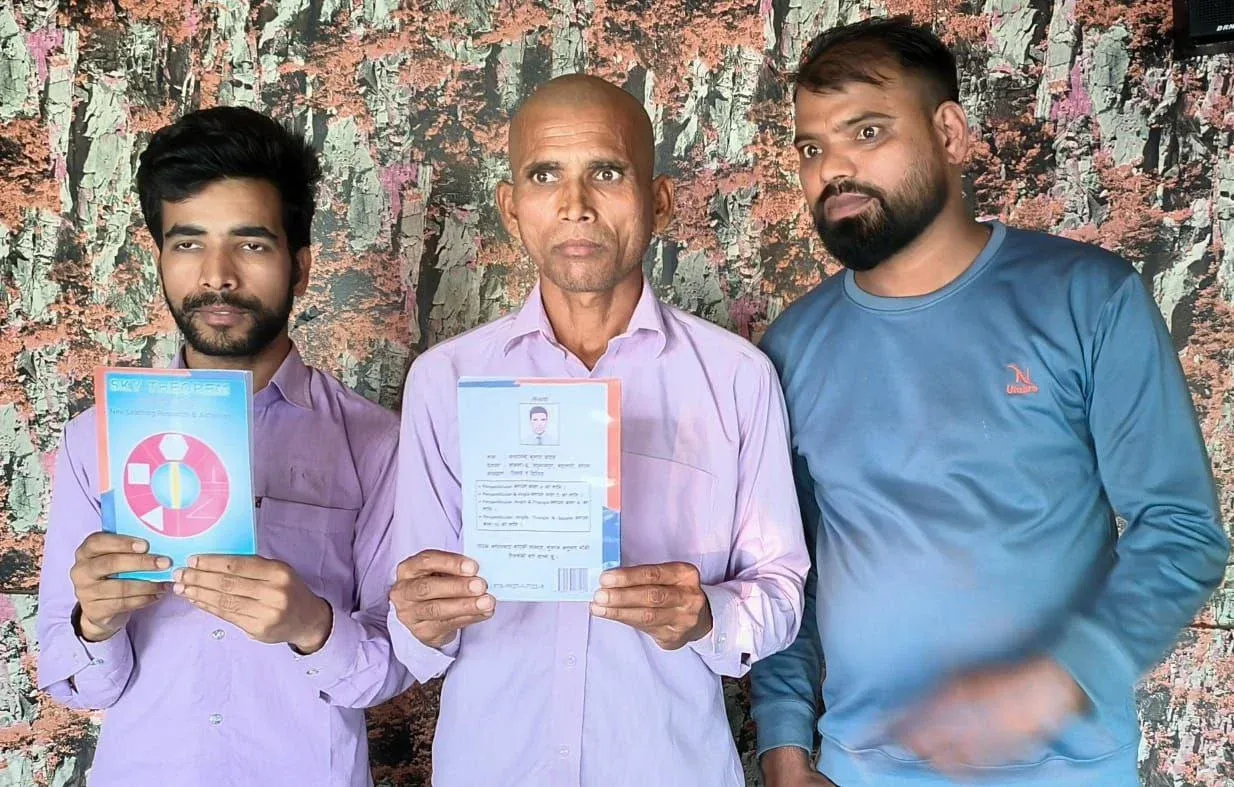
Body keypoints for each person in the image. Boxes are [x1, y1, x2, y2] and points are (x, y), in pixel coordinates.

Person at [749, 16, 1229, 787]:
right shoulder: (790, 348)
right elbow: (785, 570)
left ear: (949, 132)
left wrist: (1056, 683)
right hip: (856, 771)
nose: (833, 168)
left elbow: (1181, 530)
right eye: (811, 148)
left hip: (1066, 770)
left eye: (866, 131)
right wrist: (783, 746)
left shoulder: (1088, 300)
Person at [387, 74, 810, 787]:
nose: (575, 204)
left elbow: (782, 590)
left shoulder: (737, 378)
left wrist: (708, 614)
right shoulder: (444, 382)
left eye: (607, 172)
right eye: (544, 174)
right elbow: (414, 627)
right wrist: (421, 619)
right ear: (511, 207)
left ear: (660, 201)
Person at [36, 107, 410, 786]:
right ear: (159, 259)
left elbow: (394, 667)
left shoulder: (375, 442)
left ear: (300, 267)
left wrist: (312, 625)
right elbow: (78, 683)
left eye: (251, 244)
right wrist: (95, 622)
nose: (217, 275)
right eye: (188, 243)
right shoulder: (95, 439)